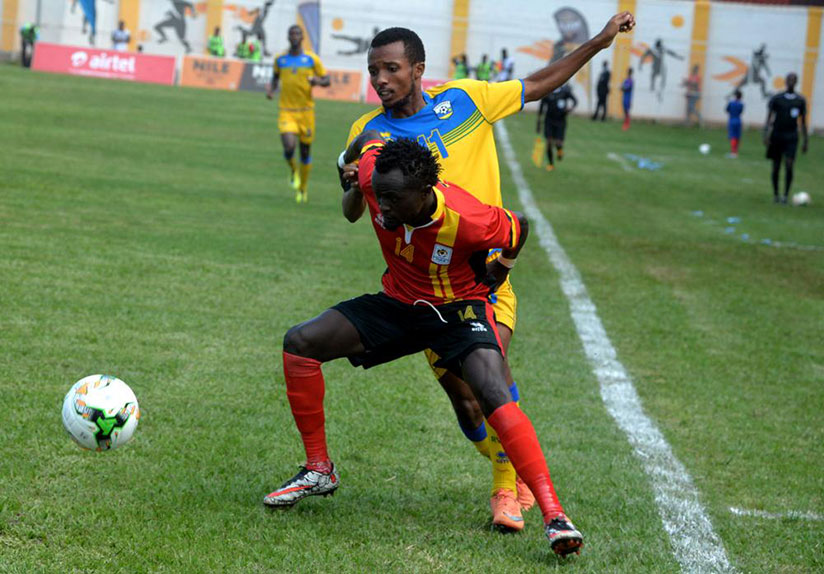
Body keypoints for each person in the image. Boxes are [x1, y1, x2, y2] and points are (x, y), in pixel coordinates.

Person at [340, 13, 635, 534]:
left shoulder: (466, 101)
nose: (380, 80)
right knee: (466, 400)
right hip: (425, 292)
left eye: (390, 69)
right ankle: (508, 471)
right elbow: (352, 209)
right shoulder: (367, 131)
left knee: (493, 378)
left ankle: (508, 491)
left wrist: (600, 41)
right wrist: (348, 181)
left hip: (483, 280)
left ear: (418, 70)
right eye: (373, 71)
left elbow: (540, 83)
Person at [265, 133, 587, 558]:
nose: (383, 209)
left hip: (458, 312)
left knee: (491, 392)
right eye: (379, 196)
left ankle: (555, 515)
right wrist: (345, 159)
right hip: (398, 304)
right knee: (300, 343)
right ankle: (319, 470)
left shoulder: (468, 218)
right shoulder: (378, 175)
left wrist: (501, 269)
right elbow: (371, 143)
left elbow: (518, 226)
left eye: (393, 200)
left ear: (424, 192)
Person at [267, 25, 330, 203]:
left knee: (304, 151)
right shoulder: (280, 60)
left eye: (297, 34)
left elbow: (327, 80)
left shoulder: (311, 59)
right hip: (286, 111)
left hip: (306, 113)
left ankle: (303, 188)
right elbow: (274, 77)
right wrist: (271, 90)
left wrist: (317, 80)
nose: (294, 37)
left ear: (302, 38)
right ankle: (293, 170)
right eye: (292, 34)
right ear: (288, 37)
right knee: (288, 147)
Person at [764, 73, 808, 204]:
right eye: (789, 80)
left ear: (796, 82)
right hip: (777, 135)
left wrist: (806, 140)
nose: (791, 82)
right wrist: (766, 134)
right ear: (785, 81)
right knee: (776, 166)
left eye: (793, 80)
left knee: (789, 164)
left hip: (791, 136)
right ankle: (776, 194)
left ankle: (785, 195)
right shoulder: (777, 99)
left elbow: (803, 122)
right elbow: (769, 117)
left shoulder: (800, 101)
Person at [537, 84, 577, 171]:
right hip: (549, 121)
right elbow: (541, 107)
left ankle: (559, 150)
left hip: (561, 121)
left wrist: (570, 109)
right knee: (549, 143)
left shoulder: (565, 92)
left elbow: (575, 101)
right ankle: (551, 164)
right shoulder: (547, 92)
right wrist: (539, 122)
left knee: (558, 143)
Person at [726, 90, 744, 158]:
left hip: (732, 120)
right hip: (738, 121)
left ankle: (733, 153)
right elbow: (741, 112)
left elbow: (727, 110)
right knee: (737, 136)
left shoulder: (731, 103)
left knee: (733, 136)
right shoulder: (741, 104)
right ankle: (736, 152)